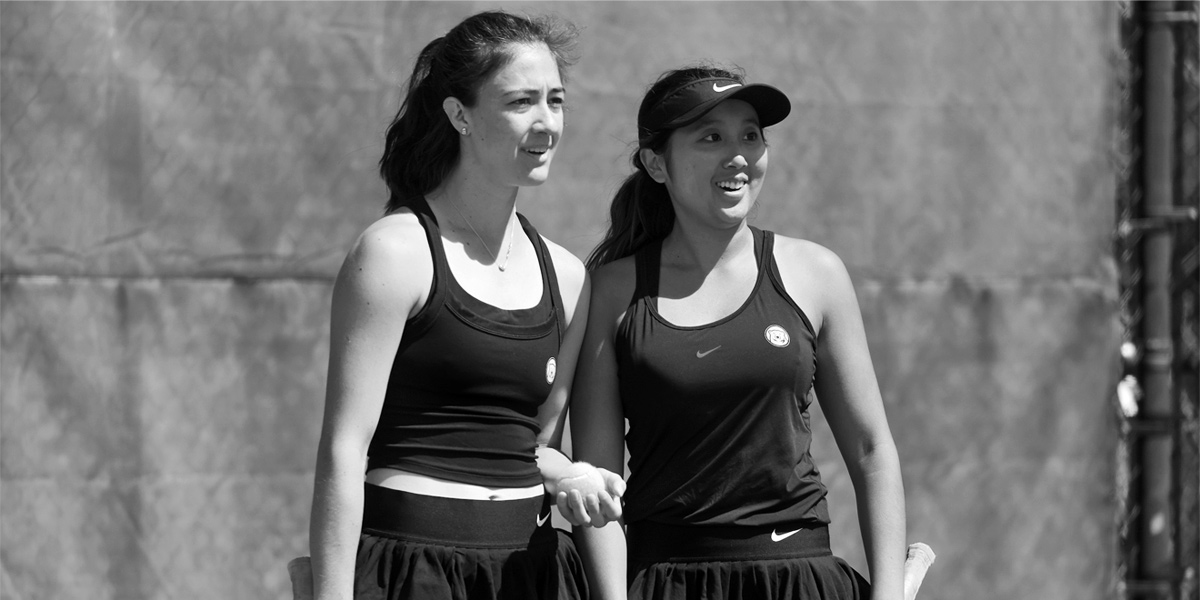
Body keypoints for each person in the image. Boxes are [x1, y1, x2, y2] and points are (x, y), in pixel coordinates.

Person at [308, 11, 623, 600]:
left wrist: (571, 474)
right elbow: (343, 449)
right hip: (412, 572)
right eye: (521, 102)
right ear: (459, 115)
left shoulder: (569, 275)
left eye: (556, 101)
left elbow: (533, 447)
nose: (546, 123)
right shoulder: (394, 252)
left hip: (535, 573)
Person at [570, 65, 907, 600]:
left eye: (751, 135)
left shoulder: (815, 273)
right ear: (657, 164)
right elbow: (598, 482)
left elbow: (871, 449)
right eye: (711, 137)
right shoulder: (609, 292)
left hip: (800, 578)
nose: (739, 156)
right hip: (664, 580)